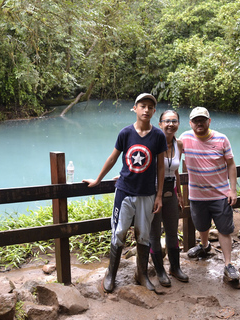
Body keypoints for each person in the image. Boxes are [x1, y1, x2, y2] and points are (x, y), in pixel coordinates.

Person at [83, 93, 167, 293]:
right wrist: (98, 179)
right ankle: (111, 273)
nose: (146, 110)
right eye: (142, 106)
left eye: (150, 107)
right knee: (119, 232)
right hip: (125, 191)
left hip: (147, 193)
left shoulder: (158, 136)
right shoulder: (125, 133)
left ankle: (142, 274)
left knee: (143, 235)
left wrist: (159, 195)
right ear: (135, 108)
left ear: (154, 111)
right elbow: (113, 158)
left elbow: (161, 168)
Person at [179, 107, 240, 281]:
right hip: (197, 195)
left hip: (221, 194)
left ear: (209, 121)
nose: (199, 123)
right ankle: (204, 246)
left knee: (224, 229)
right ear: (190, 123)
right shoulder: (184, 138)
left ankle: (228, 264)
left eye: (202, 120)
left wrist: (233, 189)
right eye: (195, 120)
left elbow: (231, 164)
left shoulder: (221, 139)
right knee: (202, 226)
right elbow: (168, 153)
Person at [149, 110, 189, 287]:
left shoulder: (179, 144)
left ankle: (175, 267)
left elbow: (176, 171)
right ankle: (160, 271)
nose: (170, 124)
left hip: (170, 191)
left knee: (173, 230)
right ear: (160, 124)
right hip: (152, 192)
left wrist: (179, 194)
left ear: (178, 124)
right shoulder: (152, 142)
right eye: (167, 121)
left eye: (174, 121)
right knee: (154, 232)